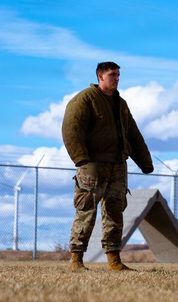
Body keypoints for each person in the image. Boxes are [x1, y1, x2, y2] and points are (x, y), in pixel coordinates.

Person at [62, 61, 154, 271]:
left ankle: (114, 261)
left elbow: (133, 133)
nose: (117, 78)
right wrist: (81, 160)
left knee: (115, 211)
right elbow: (71, 128)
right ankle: (76, 260)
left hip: (118, 166)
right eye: (113, 74)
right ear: (100, 76)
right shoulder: (86, 99)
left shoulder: (120, 104)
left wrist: (145, 162)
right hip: (92, 165)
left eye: (119, 75)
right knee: (86, 210)